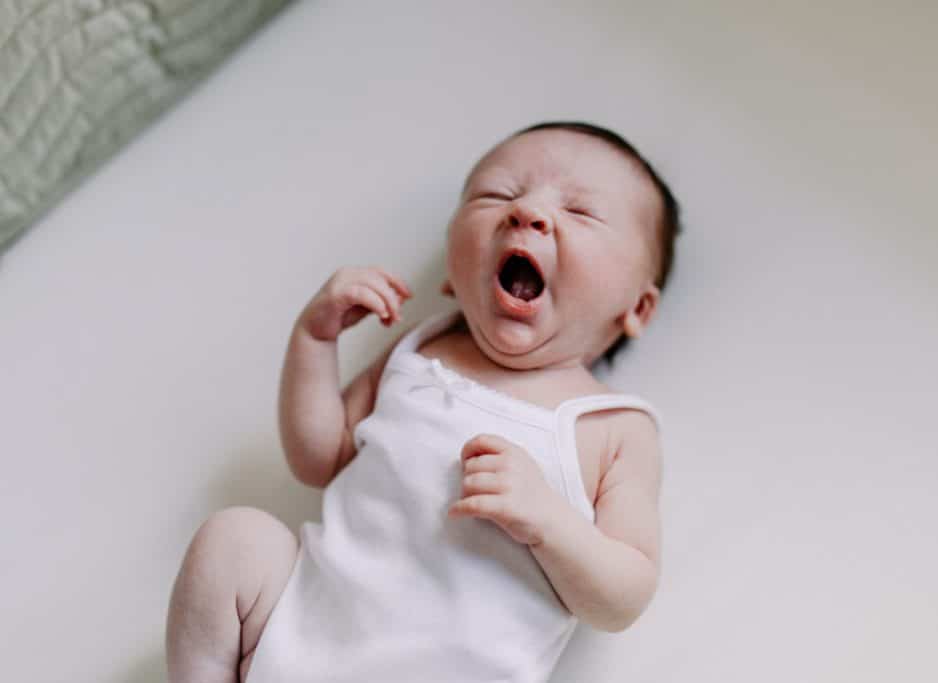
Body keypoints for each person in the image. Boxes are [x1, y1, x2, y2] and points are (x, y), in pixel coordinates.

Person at [166, 121, 682, 682]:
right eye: (498, 194)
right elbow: (319, 458)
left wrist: (548, 521)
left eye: (581, 212)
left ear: (637, 307)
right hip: (301, 634)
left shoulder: (613, 428)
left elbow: (623, 596)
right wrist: (315, 341)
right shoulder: (422, 351)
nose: (527, 212)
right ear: (452, 275)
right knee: (235, 540)